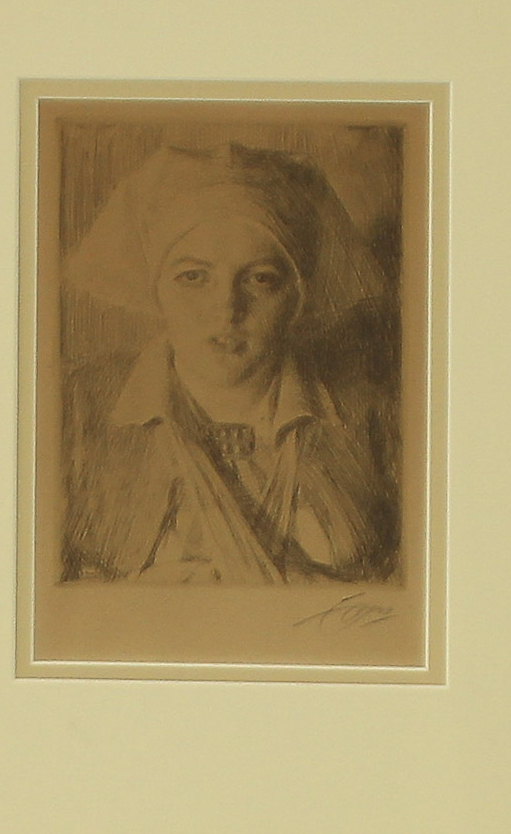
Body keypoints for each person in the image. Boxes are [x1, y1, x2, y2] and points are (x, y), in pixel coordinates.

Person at [62, 142, 398, 585]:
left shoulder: (370, 414)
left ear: (297, 296)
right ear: (156, 288)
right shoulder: (78, 410)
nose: (226, 309)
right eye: (193, 277)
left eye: (260, 279)